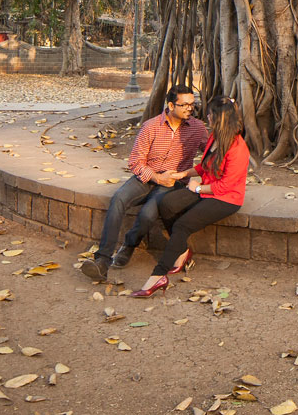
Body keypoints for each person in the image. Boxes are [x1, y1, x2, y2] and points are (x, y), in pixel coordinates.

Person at [79, 85, 208, 282]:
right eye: (185, 105)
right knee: (118, 200)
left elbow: (211, 154)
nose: (190, 109)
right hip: (147, 177)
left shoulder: (197, 128)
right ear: (171, 105)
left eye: (192, 104)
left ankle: (129, 245)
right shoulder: (151, 126)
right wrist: (156, 177)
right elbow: (135, 161)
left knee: (148, 214)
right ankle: (102, 262)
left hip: (173, 182)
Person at [132, 95, 250, 297]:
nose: (207, 116)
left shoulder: (238, 148)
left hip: (226, 199)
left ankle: (158, 276)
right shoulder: (215, 137)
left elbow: (225, 186)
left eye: (210, 114)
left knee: (182, 226)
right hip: (207, 190)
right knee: (167, 203)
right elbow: (205, 166)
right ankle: (182, 250)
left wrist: (196, 189)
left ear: (219, 118)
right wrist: (184, 174)